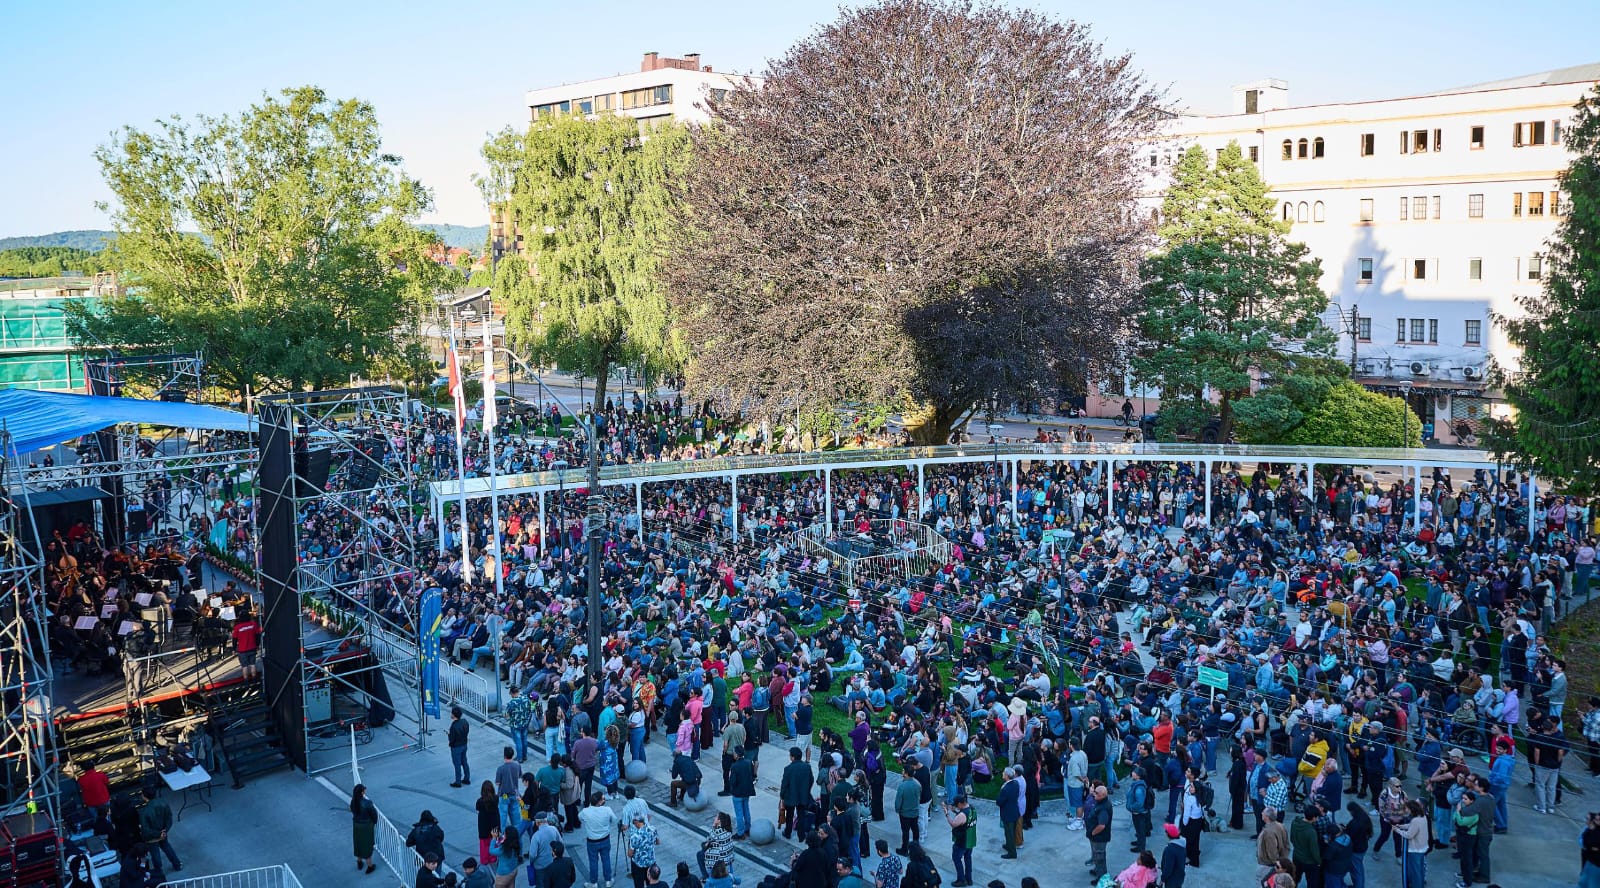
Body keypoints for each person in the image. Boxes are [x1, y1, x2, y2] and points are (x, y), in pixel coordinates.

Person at [137, 785, 180, 878]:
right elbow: (169, 818)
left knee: (155, 855)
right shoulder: (163, 803)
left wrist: (158, 834)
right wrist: (165, 830)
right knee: (167, 847)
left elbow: (145, 829)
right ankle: (177, 864)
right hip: (163, 832)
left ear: (144, 796)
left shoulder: (144, 812)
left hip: (152, 837)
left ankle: (159, 872)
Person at [578, 792, 618, 888]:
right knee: (606, 859)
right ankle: (608, 880)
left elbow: (580, 817)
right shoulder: (607, 810)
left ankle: (593, 882)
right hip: (605, 839)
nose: (604, 800)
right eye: (603, 799)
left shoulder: (585, 811)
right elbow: (614, 820)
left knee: (593, 862)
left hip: (592, 841)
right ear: (599, 802)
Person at [780, 746, 814, 839]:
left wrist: (782, 795)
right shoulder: (807, 767)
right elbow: (811, 780)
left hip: (790, 796)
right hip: (803, 796)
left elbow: (784, 784)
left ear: (793, 757)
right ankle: (801, 835)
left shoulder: (788, 769)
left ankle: (788, 833)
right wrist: (807, 790)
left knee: (789, 816)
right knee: (801, 816)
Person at [1398, 800, 1431, 888]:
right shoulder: (1423, 817)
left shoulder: (1416, 820)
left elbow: (1409, 835)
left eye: (1407, 809)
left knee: (1415, 872)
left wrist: (1397, 830)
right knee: (1420, 870)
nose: (1406, 810)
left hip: (1415, 850)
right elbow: (1411, 826)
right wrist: (1401, 826)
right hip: (1422, 848)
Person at [944, 795, 975, 888]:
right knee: (968, 858)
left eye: (957, 805)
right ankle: (969, 879)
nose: (956, 807)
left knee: (956, 858)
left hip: (962, 841)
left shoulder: (962, 815)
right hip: (970, 840)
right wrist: (954, 811)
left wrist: (947, 813)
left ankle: (961, 880)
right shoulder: (972, 809)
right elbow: (965, 819)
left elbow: (954, 824)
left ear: (961, 803)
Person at [1085, 783, 1113, 884]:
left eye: (1096, 793)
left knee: (1100, 857)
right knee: (1097, 855)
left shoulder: (1104, 808)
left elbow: (1102, 825)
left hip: (1099, 837)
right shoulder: (1100, 802)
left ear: (1103, 795)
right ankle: (1097, 870)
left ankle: (1102, 878)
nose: (1094, 794)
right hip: (1096, 836)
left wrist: (1093, 832)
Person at [1255, 807, 1289, 886]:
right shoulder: (1281, 826)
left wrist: (1276, 864)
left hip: (1267, 865)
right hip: (1278, 862)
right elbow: (1286, 844)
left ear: (1267, 817)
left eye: (1263, 812)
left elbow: (1272, 852)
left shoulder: (1268, 833)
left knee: (1262, 883)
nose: (1261, 813)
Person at [895, 759, 923, 853]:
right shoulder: (917, 784)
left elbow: (898, 801)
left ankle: (904, 849)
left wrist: (897, 809)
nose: (902, 771)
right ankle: (916, 847)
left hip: (905, 813)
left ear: (906, 774)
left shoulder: (902, 786)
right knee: (915, 829)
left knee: (905, 832)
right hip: (915, 812)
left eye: (903, 770)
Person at [352, 783, 379, 875]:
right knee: (367, 846)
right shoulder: (367, 803)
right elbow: (374, 815)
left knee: (358, 844)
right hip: (366, 827)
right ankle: (370, 866)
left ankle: (359, 862)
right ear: (362, 792)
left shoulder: (353, 802)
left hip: (356, 825)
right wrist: (374, 822)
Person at [728, 748, 756, 839]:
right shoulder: (749, 762)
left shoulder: (734, 766)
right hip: (746, 791)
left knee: (739, 813)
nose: (733, 754)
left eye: (734, 753)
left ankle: (740, 833)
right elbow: (752, 775)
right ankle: (747, 828)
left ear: (737, 755)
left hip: (738, 793)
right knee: (746, 810)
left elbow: (732, 781)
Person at [627, 812, 659, 888]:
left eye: (633, 822)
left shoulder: (635, 836)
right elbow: (658, 842)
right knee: (651, 883)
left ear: (636, 822)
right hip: (651, 862)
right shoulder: (653, 829)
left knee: (639, 884)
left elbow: (630, 854)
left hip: (639, 864)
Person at [231, 604, 261, 680]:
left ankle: (246, 681)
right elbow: (258, 636)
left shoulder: (237, 627)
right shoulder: (254, 624)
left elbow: (234, 639)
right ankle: (254, 679)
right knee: (253, 664)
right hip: (252, 647)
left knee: (244, 666)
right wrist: (257, 645)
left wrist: (234, 649)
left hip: (242, 650)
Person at [498, 746, 525, 831]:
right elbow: (520, 776)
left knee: (503, 817)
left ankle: (502, 834)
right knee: (516, 817)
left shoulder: (501, 769)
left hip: (504, 795)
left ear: (504, 756)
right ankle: (517, 833)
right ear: (513, 755)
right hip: (515, 794)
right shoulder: (517, 765)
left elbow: (497, 782)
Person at [998, 766, 1021, 859]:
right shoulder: (1016, 783)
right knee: (1011, 832)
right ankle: (1008, 845)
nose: (1002, 774)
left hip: (1008, 813)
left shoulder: (1005, 789)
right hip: (1014, 811)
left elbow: (999, 802)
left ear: (1007, 776)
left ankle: (1012, 853)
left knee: (1009, 833)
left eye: (1004, 773)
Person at [506, 684, 534, 763]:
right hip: (525, 723)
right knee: (524, 740)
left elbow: (507, 715)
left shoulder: (512, 702)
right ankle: (524, 756)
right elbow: (530, 710)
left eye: (510, 694)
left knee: (518, 741)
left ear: (512, 693)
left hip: (515, 725)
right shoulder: (526, 699)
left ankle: (519, 758)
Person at [477, 782, 502, 867]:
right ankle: (492, 858)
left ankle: (484, 860)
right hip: (494, 826)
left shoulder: (480, 802)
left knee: (484, 845)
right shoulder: (496, 799)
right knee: (493, 842)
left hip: (483, 827)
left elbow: (477, 808)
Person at [1158, 823, 1186, 888]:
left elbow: (1168, 868)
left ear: (1168, 835)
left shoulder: (1170, 850)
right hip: (1180, 877)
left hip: (1172, 880)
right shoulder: (1182, 845)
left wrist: (1162, 880)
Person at [450, 706, 472, 788]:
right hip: (464, 745)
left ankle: (458, 781)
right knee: (464, 761)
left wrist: (449, 737)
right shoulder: (464, 722)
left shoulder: (453, 726)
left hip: (456, 747)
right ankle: (467, 778)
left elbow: (452, 739)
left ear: (454, 715)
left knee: (457, 764)